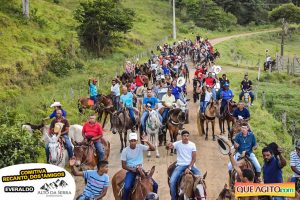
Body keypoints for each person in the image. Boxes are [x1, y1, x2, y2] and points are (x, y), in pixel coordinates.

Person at [121, 132, 158, 200]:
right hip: (131, 171)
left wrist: (147, 142)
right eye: (131, 141)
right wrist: (134, 169)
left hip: (141, 170)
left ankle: (153, 198)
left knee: (155, 185)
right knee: (127, 187)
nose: (133, 142)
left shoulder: (140, 147)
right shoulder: (125, 150)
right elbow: (123, 165)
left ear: (137, 141)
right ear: (129, 141)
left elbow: (153, 149)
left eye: (134, 141)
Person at [167, 130, 202, 200]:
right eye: (184, 136)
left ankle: (201, 197)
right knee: (172, 181)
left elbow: (194, 159)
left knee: (201, 180)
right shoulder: (177, 144)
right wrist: (168, 145)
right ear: (181, 137)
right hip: (180, 165)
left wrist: (189, 168)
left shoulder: (192, 145)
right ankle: (173, 198)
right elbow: (169, 147)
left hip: (191, 166)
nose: (186, 137)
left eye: (187, 136)